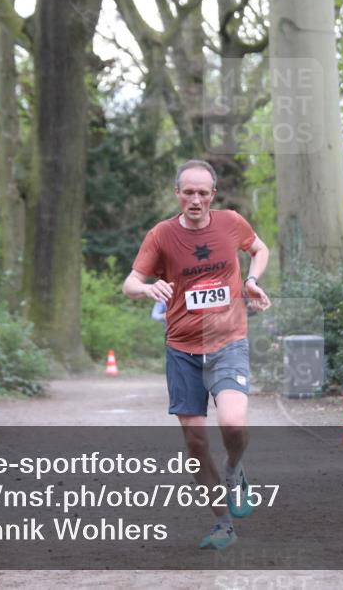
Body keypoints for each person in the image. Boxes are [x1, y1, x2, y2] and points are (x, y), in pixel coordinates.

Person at [123, 159, 271, 550]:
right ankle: (223, 524)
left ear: (213, 195)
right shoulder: (162, 235)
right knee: (195, 443)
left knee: (234, 424)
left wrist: (252, 281)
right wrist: (146, 290)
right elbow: (130, 282)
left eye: (203, 192)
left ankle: (234, 470)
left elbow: (259, 248)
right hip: (183, 350)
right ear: (177, 194)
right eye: (188, 192)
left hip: (228, 343)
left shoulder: (230, 223)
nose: (196, 199)